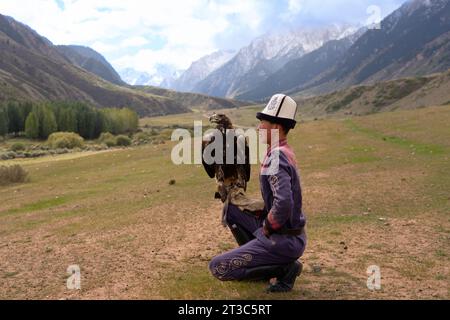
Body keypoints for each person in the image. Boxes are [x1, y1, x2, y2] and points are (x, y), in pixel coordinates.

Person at [209, 94, 307, 293]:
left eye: (263, 123)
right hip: (290, 234)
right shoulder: (281, 150)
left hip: (283, 239)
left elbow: (284, 203)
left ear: (276, 127)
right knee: (232, 209)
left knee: (218, 267)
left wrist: (268, 227)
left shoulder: (276, 158)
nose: (259, 128)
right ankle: (260, 257)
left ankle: (284, 269)